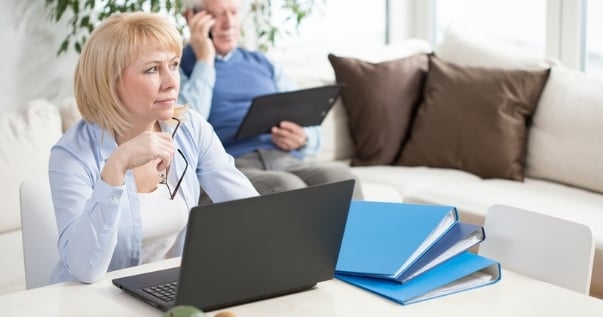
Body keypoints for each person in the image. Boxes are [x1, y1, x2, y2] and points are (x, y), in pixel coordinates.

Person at [48, 12, 259, 284]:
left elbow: (250, 211)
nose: (172, 82)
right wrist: (117, 165)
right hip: (92, 301)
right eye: (152, 69)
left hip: (168, 292)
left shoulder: (189, 127)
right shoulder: (71, 154)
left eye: (173, 65)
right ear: (110, 81)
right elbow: (84, 270)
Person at [178, 0, 363, 201]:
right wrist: (204, 59)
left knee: (343, 180)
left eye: (233, 13)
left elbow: (313, 131)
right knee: (286, 187)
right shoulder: (177, 67)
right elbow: (186, 124)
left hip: (286, 159)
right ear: (191, 17)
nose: (228, 23)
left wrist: (303, 138)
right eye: (216, 14)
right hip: (232, 165)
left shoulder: (263, 63)